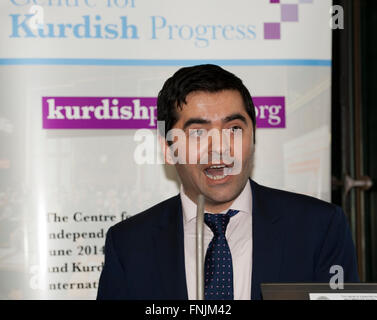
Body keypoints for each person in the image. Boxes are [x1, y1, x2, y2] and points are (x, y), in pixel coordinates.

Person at [97, 64, 359, 300]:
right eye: (198, 133)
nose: (221, 148)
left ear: (252, 137)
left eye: (234, 129)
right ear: (168, 149)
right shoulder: (129, 245)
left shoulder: (320, 228)